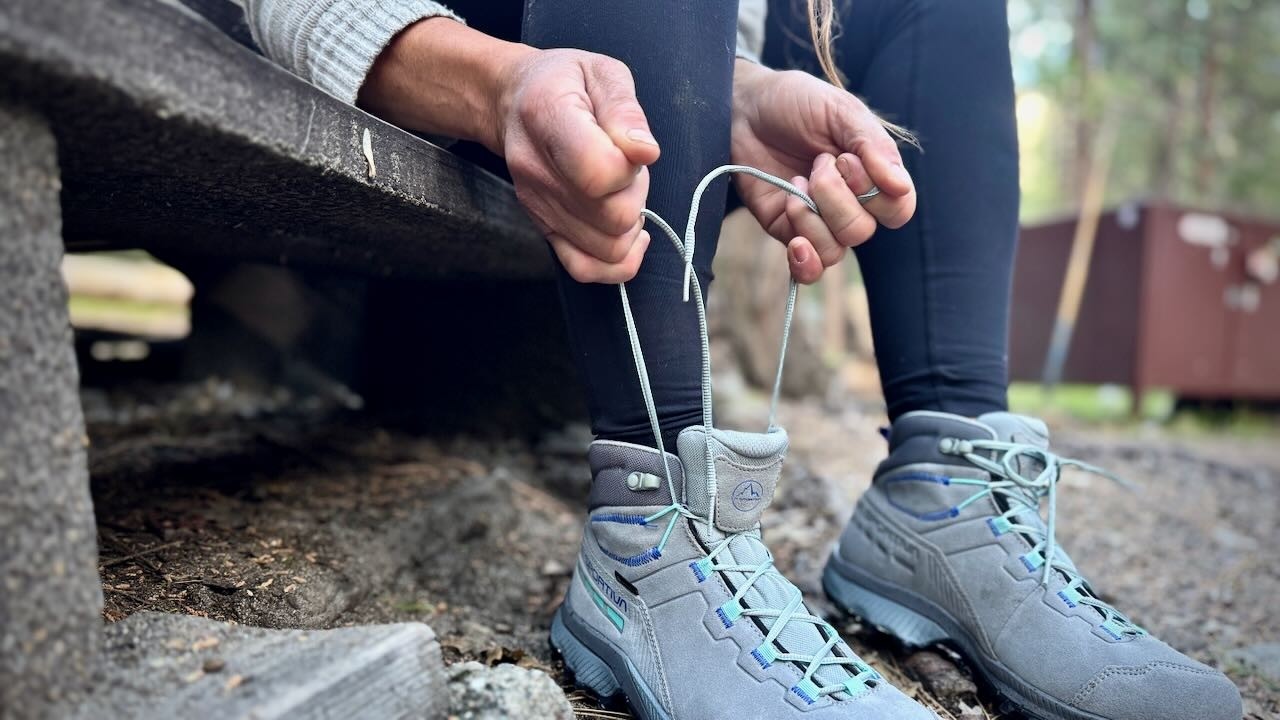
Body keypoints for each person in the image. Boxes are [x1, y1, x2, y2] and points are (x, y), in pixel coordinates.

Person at [244, 1, 1243, 719]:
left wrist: (736, 88)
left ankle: (946, 495)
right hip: (433, 68)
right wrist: (492, 81)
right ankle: (650, 537)